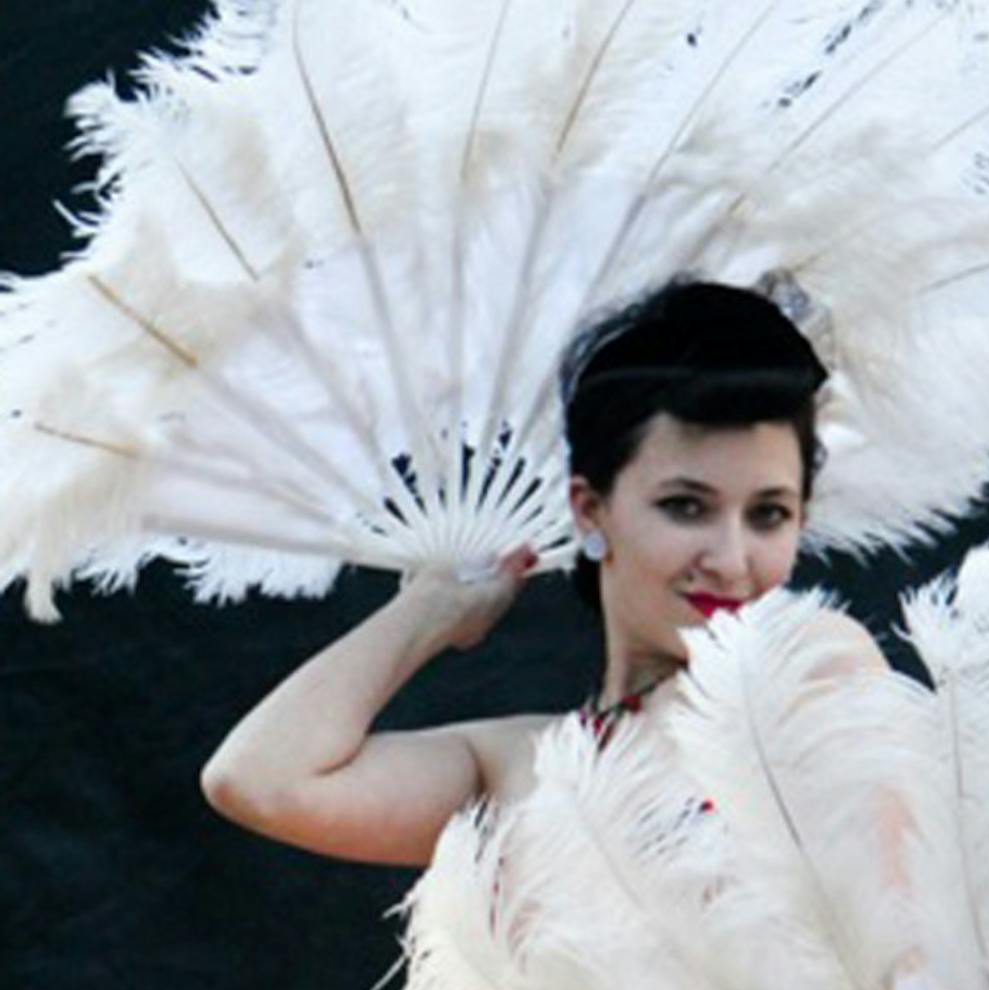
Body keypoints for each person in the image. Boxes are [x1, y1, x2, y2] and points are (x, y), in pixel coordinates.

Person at [199, 281, 887, 867]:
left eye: (769, 514)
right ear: (589, 510)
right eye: (686, 507)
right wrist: (432, 610)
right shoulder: (514, 766)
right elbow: (257, 778)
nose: (733, 559)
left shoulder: (819, 669)